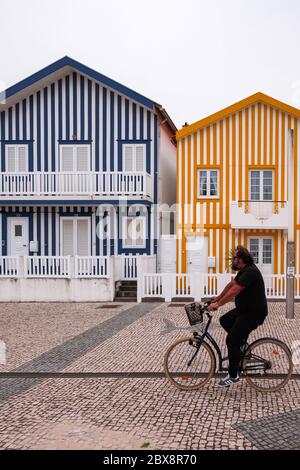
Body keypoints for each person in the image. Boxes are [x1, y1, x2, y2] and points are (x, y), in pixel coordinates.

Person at [207, 246, 268, 387]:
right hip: (244, 310)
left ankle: (233, 375)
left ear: (240, 259)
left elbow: (234, 291)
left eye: (234, 257)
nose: (233, 260)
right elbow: (231, 284)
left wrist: (218, 305)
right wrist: (217, 298)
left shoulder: (250, 272)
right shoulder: (244, 270)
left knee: (231, 340)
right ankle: (241, 346)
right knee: (224, 320)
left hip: (254, 313)